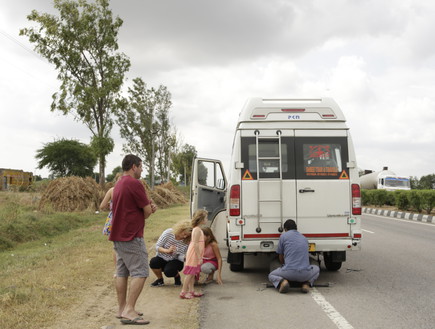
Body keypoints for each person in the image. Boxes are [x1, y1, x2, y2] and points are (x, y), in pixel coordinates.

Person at [109, 154, 157, 325]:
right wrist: (151, 208)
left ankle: (122, 308)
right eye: (141, 166)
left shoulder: (119, 183)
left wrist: (146, 209)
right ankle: (130, 310)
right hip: (131, 235)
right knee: (141, 271)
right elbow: (146, 212)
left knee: (122, 272)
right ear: (134, 167)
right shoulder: (135, 184)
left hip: (118, 235)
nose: (142, 169)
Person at [268, 219, 320, 294]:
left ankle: (283, 282)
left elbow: (280, 256)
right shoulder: (304, 238)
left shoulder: (283, 236)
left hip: (289, 273)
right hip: (304, 274)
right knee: (317, 269)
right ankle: (306, 284)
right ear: (296, 228)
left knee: (271, 275)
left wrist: (283, 265)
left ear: (285, 229)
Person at [149, 221, 192, 287]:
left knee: (169, 271)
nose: (185, 236)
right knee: (153, 262)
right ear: (181, 229)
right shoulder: (168, 233)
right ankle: (160, 280)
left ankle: (177, 276)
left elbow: (180, 255)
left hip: (175, 260)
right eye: (184, 234)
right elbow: (157, 246)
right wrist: (167, 251)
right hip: (162, 256)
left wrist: (184, 258)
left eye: (187, 235)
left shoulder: (186, 241)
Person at [180, 209, 208, 299]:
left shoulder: (198, 229)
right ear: (201, 219)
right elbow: (195, 243)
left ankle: (191, 290)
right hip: (194, 254)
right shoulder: (197, 230)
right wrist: (199, 257)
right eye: (206, 218)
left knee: (192, 273)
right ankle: (183, 292)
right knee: (190, 274)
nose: (207, 219)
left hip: (195, 253)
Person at [100, 173, 122, 269]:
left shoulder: (111, 191)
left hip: (113, 219)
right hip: (124, 219)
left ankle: (118, 269)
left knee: (115, 246)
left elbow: (101, 206)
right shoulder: (128, 190)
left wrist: (110, 205)